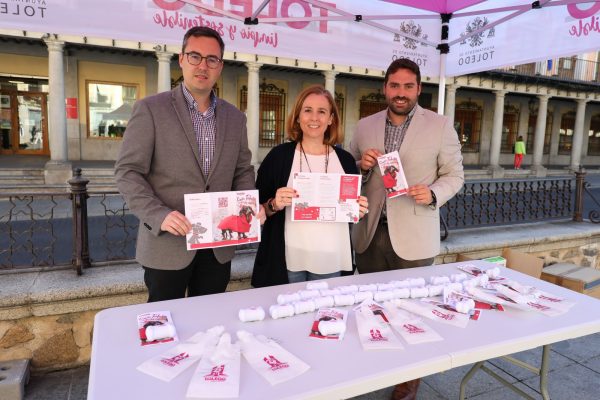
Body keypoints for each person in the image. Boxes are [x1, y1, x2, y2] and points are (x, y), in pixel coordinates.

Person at [114, 26, 262, 302]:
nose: (202, 66)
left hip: (217, 245)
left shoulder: (234, 118)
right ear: (181, 59)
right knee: (164, 327)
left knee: (208, 321)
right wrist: (160, 215)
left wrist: (247, 207)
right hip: (168, 244)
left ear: (220, 66)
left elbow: (242, 170)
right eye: (195, 56)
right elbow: (128, 172)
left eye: (212, 59)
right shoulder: (151, 109)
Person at [349, 58, 464, 400]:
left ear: (419, 89)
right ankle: (379, 365)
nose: (401, 93)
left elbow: (455, 176)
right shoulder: (365, 125)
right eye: (394, 86)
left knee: (413, 312)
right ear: (385, 88)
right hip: (370, 234)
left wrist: (432, 193)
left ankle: (409, 380)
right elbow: (349, 173)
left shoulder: (440, 125)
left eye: (408, 86)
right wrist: (361, 166)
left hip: (414, 236)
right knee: (373, 308)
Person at [251, 85, 369, 287]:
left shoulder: (346, 161)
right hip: (288, 259)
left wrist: (358, 209)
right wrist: (274, 204)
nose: (314, 118)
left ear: (331, 118)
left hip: (331, 258)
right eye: (307, 110)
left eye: (322, 111)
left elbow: (350, 212)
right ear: (298, 116)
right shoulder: (278, 157)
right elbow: (256, 210)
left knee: (324, 317)